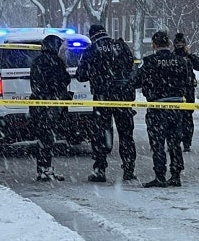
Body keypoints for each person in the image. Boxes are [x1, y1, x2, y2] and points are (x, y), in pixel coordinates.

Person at [76, 24, 137, 183]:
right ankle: (129, 169)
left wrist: (97, 73)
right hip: (123, 96)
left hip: (102, 97)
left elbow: (81, 75)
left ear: (92, 36)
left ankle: (100, 170)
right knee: (126, 134)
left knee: (100, 134)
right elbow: (131, 66)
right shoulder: (121, 45)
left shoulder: (90, 50)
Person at [137, 31, 189, 188]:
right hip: (176, 107)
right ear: (169, 44)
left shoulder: (149, 61)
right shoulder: (180, 61)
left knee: (158, 142)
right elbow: (186, 80)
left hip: (157, 107)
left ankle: (160, 175)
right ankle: (175, 174)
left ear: (154, 45)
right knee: (174, 142)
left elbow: (136, 80)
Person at [29, 35, 70, 181]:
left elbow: (35, 82)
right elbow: (64, 79)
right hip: (50, 104)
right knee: (48, 138)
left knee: (42, 137)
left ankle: (42, 168)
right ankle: (46, 169)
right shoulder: (55, 61)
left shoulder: (37, 61)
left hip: (37, 104)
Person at [173, 33, 199, 152]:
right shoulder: (172, 57)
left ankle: (186, 142)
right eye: (178, 45)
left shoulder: (189, 57)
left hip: (188, 90)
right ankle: (175, 140)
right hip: (176, 90)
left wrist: (190, 54)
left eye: (182, 45)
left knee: (187, 117)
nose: (180, 47)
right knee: (175, 117)